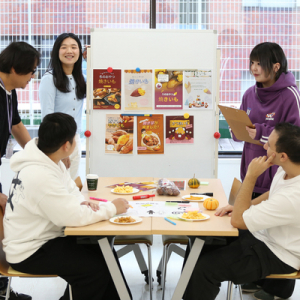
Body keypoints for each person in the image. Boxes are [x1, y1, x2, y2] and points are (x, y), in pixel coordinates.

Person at [3, 112, 132, 300]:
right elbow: (72, 217)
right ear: (66, 145)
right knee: (94, 270)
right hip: (30, 251)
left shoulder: (48, 159)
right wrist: (112, 208)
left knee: (104, 254)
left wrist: (81, 202)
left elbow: (71, 190)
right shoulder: (40, 175)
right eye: (75, 139)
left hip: (43, 238)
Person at [185, 122, 300, 300]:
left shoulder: (293, 197)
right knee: (200, 240)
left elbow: (237, 222)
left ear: (283, 156)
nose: (264, 146)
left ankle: (276, 287)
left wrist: (251, 176)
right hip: (263, 237)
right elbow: (273, 193)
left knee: (204, 269)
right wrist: (248, 204)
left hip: (279, 254)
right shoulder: (288, 170)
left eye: (269, 145)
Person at [229, 42, 300, 299]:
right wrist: (239, 132)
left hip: (277, 174)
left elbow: (294, 138)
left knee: (277, 228)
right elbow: (245, 129)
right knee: (250, 226)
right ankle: (253, 279)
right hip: (253, 170)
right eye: (252, 63)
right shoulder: (249, 93)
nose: (253, 68)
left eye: (259, 64)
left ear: (276, 66)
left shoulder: (290, 95)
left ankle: (277, 289)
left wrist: (259, 133)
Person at [0, 41, 40, 300]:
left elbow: (16, 124)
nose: (32, 77)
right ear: (14, 68)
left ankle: (4, 290)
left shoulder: (9, 90)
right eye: (30, 71)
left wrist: (43, 155)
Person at [39, 33, 86, 180]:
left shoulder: (80, 79)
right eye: (64, 47)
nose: (69, 51)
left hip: (75, 140)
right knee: (57, 186)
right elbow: (47, 117)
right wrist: (60, 149)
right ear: (56, 51)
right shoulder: (49, 79)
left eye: (74, 47)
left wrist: (90, 60)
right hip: (57, 142)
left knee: (70, 186)